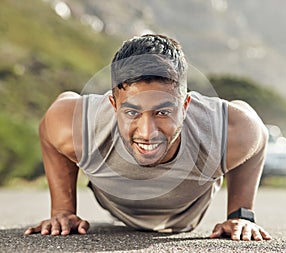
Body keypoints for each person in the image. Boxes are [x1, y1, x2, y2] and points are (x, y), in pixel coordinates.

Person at [25, 34, 272, 241]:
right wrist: (63, 210)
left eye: (163, 112)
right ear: (113, 104)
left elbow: (258, 137)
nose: (147, 132)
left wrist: (240, 215)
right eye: (132, 112)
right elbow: (49, 129)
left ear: (185, 105)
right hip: (114, 203)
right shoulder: (76, 123)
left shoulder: (227, 127)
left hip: (186, 214)